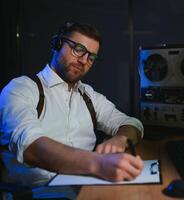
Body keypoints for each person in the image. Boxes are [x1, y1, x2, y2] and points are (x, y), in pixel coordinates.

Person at [0, 22, 144, 187]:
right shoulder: (20, 88)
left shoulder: (89, 95)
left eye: (91, 57)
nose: (83, 60)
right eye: (78, 49)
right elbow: (30, 146)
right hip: (38, 192)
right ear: (57, 45)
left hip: (86, 185)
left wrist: (121, 138)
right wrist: (98, 163)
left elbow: (132, 123)